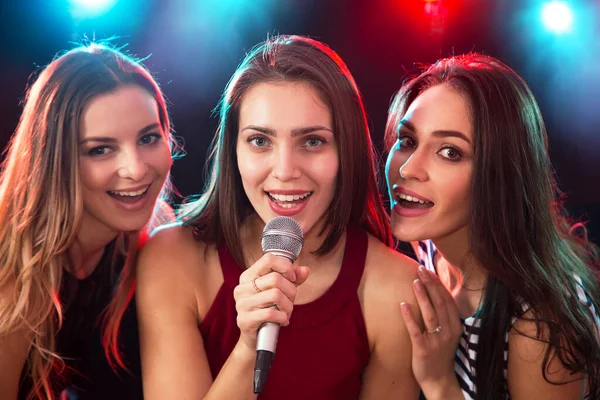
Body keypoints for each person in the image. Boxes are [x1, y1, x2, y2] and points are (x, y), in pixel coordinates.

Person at [136, 34, 423, 399]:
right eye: (260, 141)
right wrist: (246, 348)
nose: (285, 171)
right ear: (233, 151)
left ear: (346, 149)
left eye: (312, 141)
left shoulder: (398, 288)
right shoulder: (172, 257)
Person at [384, 53, 600, 399]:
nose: (408, 168)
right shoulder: (429, 247)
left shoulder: (538, 328)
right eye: (407, 140)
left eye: (450, 152)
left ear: (499, 175)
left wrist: (439, 383)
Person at [0, 43, 177, 400]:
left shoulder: (157, 231)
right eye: (100, 149)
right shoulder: (12, 269)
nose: (137, 169)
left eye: (148, 138)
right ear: (55, 160)